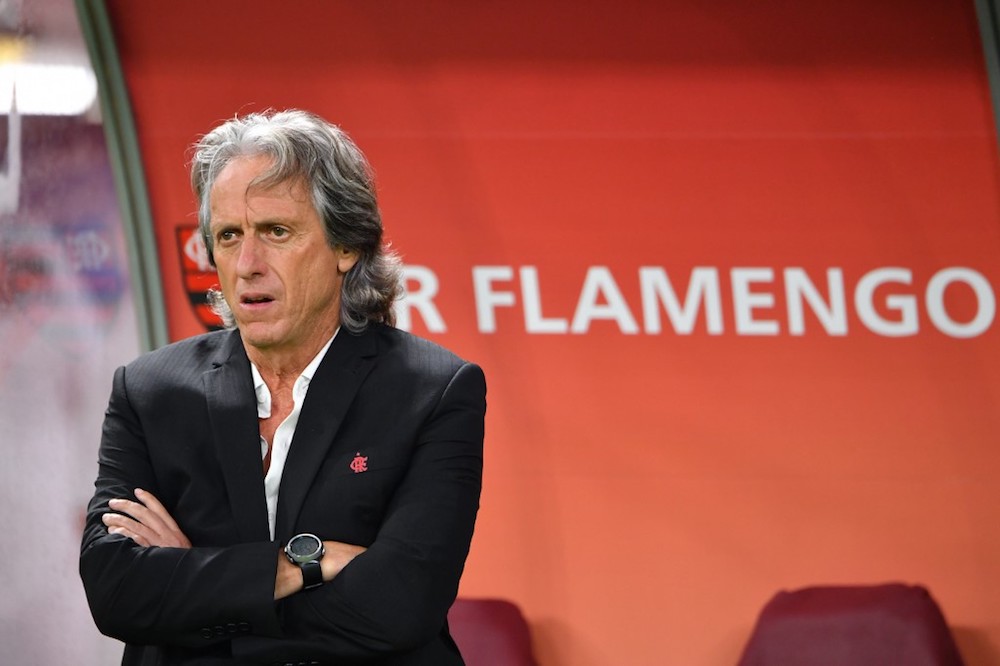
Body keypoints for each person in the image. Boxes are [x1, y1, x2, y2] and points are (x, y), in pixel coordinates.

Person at [79, 109, 487, 665]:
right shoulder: (149, 391)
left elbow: (399, 603)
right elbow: (116, 591)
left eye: (276, 232)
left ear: (346, 246)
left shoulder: (434, 390)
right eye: (228, 236)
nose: (248, 264)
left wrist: (195, 580)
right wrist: (304, 564)